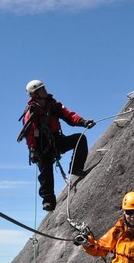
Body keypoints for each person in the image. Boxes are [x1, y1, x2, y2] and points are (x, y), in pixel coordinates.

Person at [17, 79, 96, 211]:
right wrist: (32, 150)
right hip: (41, 147)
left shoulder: (53, 105)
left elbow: (69, 116)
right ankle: (48, 201)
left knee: (80, 139)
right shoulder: (32, 111)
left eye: (43, 88)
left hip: (56, 140)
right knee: (46, 172)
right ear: (35, 94)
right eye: (41, 89)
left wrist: (83, 122)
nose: (45, 90)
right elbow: (29, 132)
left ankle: (76, 168)